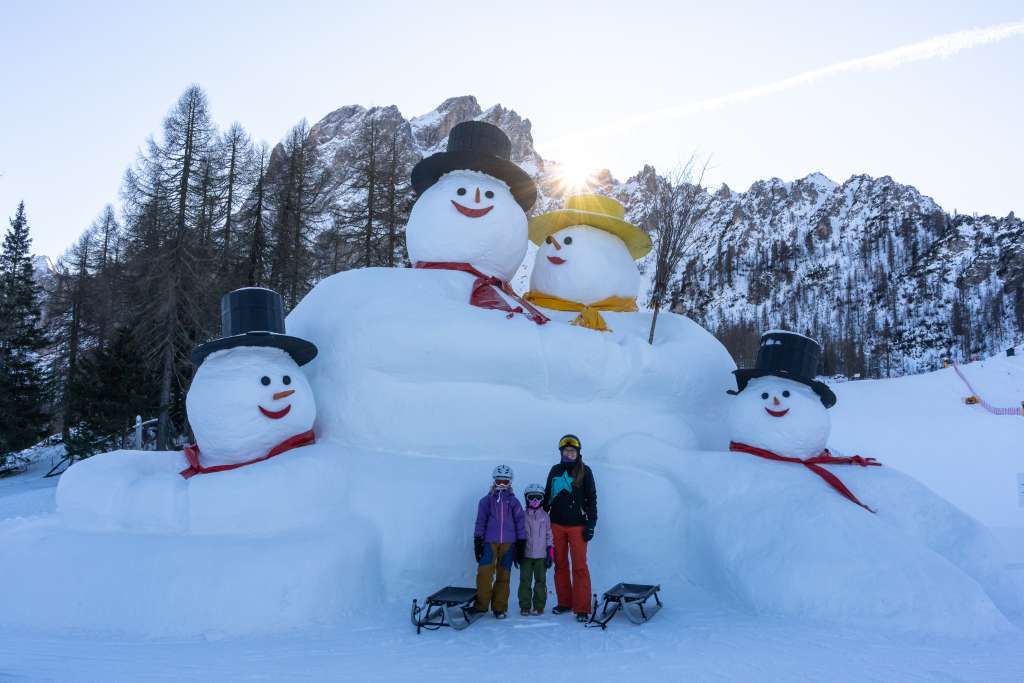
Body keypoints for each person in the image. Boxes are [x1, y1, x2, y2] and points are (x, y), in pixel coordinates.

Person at [543, 434, 598, 622]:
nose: (569, 454)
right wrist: (542, 522)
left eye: (572, 451)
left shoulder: (585, 471)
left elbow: (591, 499)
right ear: (561, 452)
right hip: (556, 524)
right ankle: (565, 603)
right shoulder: (555, 471)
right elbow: (547, 497)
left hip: (578, 527)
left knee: (580, 566)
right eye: (566, 451)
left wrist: (591, 524)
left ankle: (582, 607)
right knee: (560, 565)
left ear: (578, 453)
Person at [471, 464, 527, 619]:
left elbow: (520, 523)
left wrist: (521, 542)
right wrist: (478, 540)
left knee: (504, 574)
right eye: (499, 481)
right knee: (484, 573)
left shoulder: (514, 502)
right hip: (490, 542)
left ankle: (499, 607)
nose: (502, 484)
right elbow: (480, 522)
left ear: (510, 483)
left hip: (509, 543)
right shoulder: (486, 501)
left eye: (505, 481)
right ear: (494, 481)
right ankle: (481, 605)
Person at [518, 483, 554, 616]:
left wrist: (550, 553)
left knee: (540, 581)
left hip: (541, 555)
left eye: (538, 498)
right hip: (526, 555)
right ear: (526, 498)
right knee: (525, 581)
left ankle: (539, 606)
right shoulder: (522, 515)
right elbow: (519, 534)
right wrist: (518, 551)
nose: (534, 501)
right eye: (531, 497)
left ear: (542, 499)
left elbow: (549, 535)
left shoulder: (545, 516)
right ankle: (525, 606)